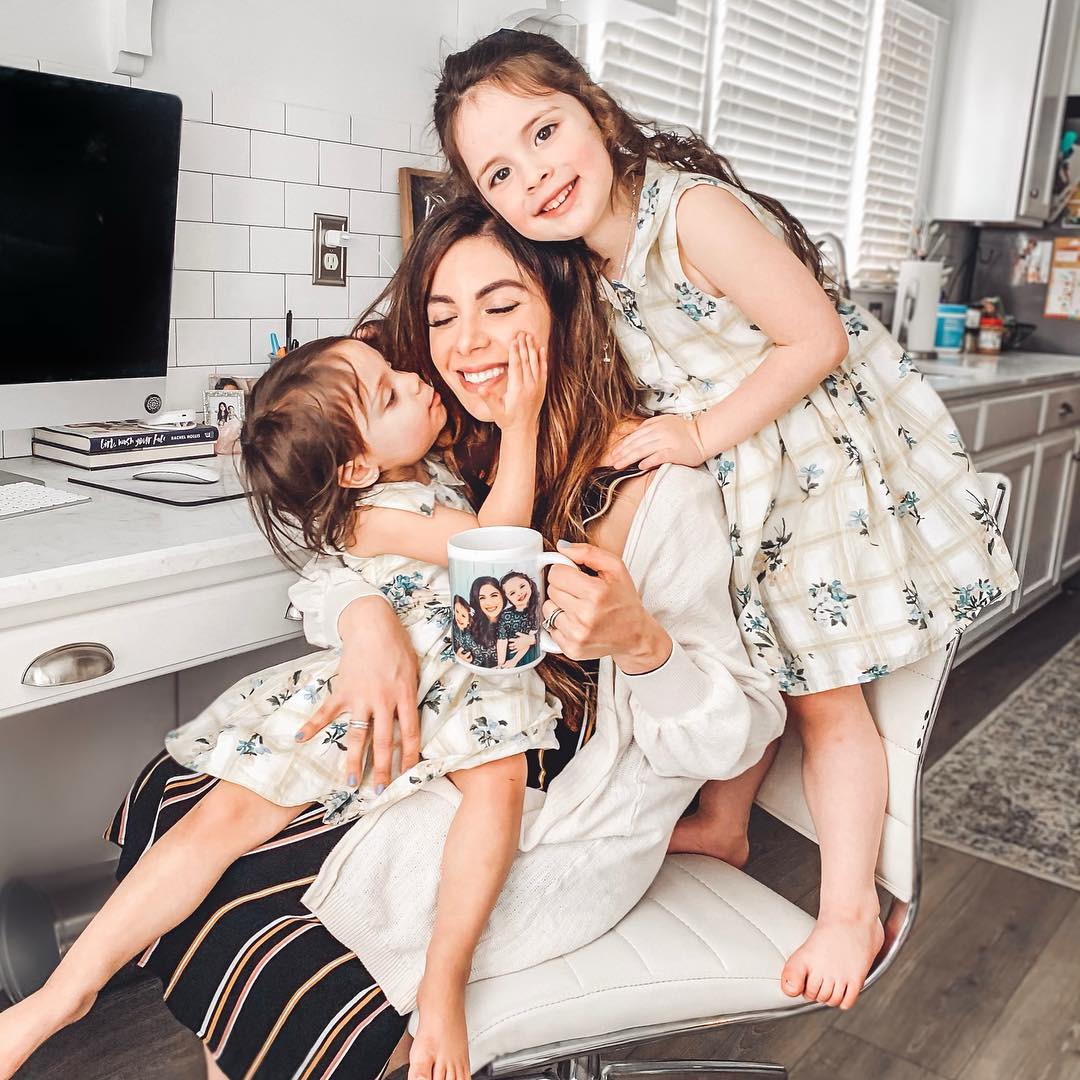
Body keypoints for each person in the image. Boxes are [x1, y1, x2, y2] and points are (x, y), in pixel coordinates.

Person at [77, 200, 781, 1080]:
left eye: (502, 305)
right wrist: (362, 620)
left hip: (557, 785)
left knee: (279, 938)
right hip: (437, 735)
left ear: (568, 309)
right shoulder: (462, 447)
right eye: (443, 317)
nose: (467, 343)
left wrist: (644, 646)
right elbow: (353, 537)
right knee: (182, 797)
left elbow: (735, 733)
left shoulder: (658, 491)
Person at [430, 28, 1021, 1009]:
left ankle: (849, 910)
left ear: (597, 111)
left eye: (544, 133)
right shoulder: (587, 260)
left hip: (809, 473)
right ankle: (729, 822)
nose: (532, 175)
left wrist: (697, 433)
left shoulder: (689, 213)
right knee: (745, 661)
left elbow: (817, 337)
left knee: (826, 702)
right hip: (738, 480)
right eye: (499, 171)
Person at [0, 328, 561, 1080]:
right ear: (356, 466)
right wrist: (520, 423)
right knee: (226, 813)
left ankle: (441, 977)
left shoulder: (418, 467)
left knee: (497, 789)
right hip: (388, 690)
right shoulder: (373, 511)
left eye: (394, 371)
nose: (413, 377)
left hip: (462, 687)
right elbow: (498, 551)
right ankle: (62, 995)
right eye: (390, 390)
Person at [498, 570, 540, 667]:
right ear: (507, 598)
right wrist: (501, 663)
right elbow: (502, 640)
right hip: (510, 655)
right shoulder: (505, 615)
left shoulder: (535, 610)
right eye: (512, 593)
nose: (519, 593)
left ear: (529, 584)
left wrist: (514, 661)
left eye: (522, 586)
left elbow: (527, 641)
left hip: (527, 654)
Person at [467, 575, 505, 667]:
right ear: (477, 601)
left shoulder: (512, 620)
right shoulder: (471, 626)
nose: (489, 602)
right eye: (482, 598)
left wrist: (531, 640)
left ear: (502, 596)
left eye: (494, 595)